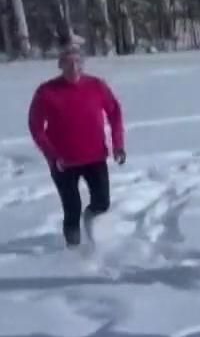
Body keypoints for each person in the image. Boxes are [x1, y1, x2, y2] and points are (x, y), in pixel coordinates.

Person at [26, 43, 126, 249]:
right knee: (72, 208)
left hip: (95, 157)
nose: (74, 67)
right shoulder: (46, 92)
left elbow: (114, 113)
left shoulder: (97, 86)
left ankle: (90, 222)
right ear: (60, 65)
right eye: (68, 63)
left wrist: (118, 145)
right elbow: (36, 127)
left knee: (102, 203)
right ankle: (73, 251)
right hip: (63, 163)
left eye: (78, 62)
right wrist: (52, 156)